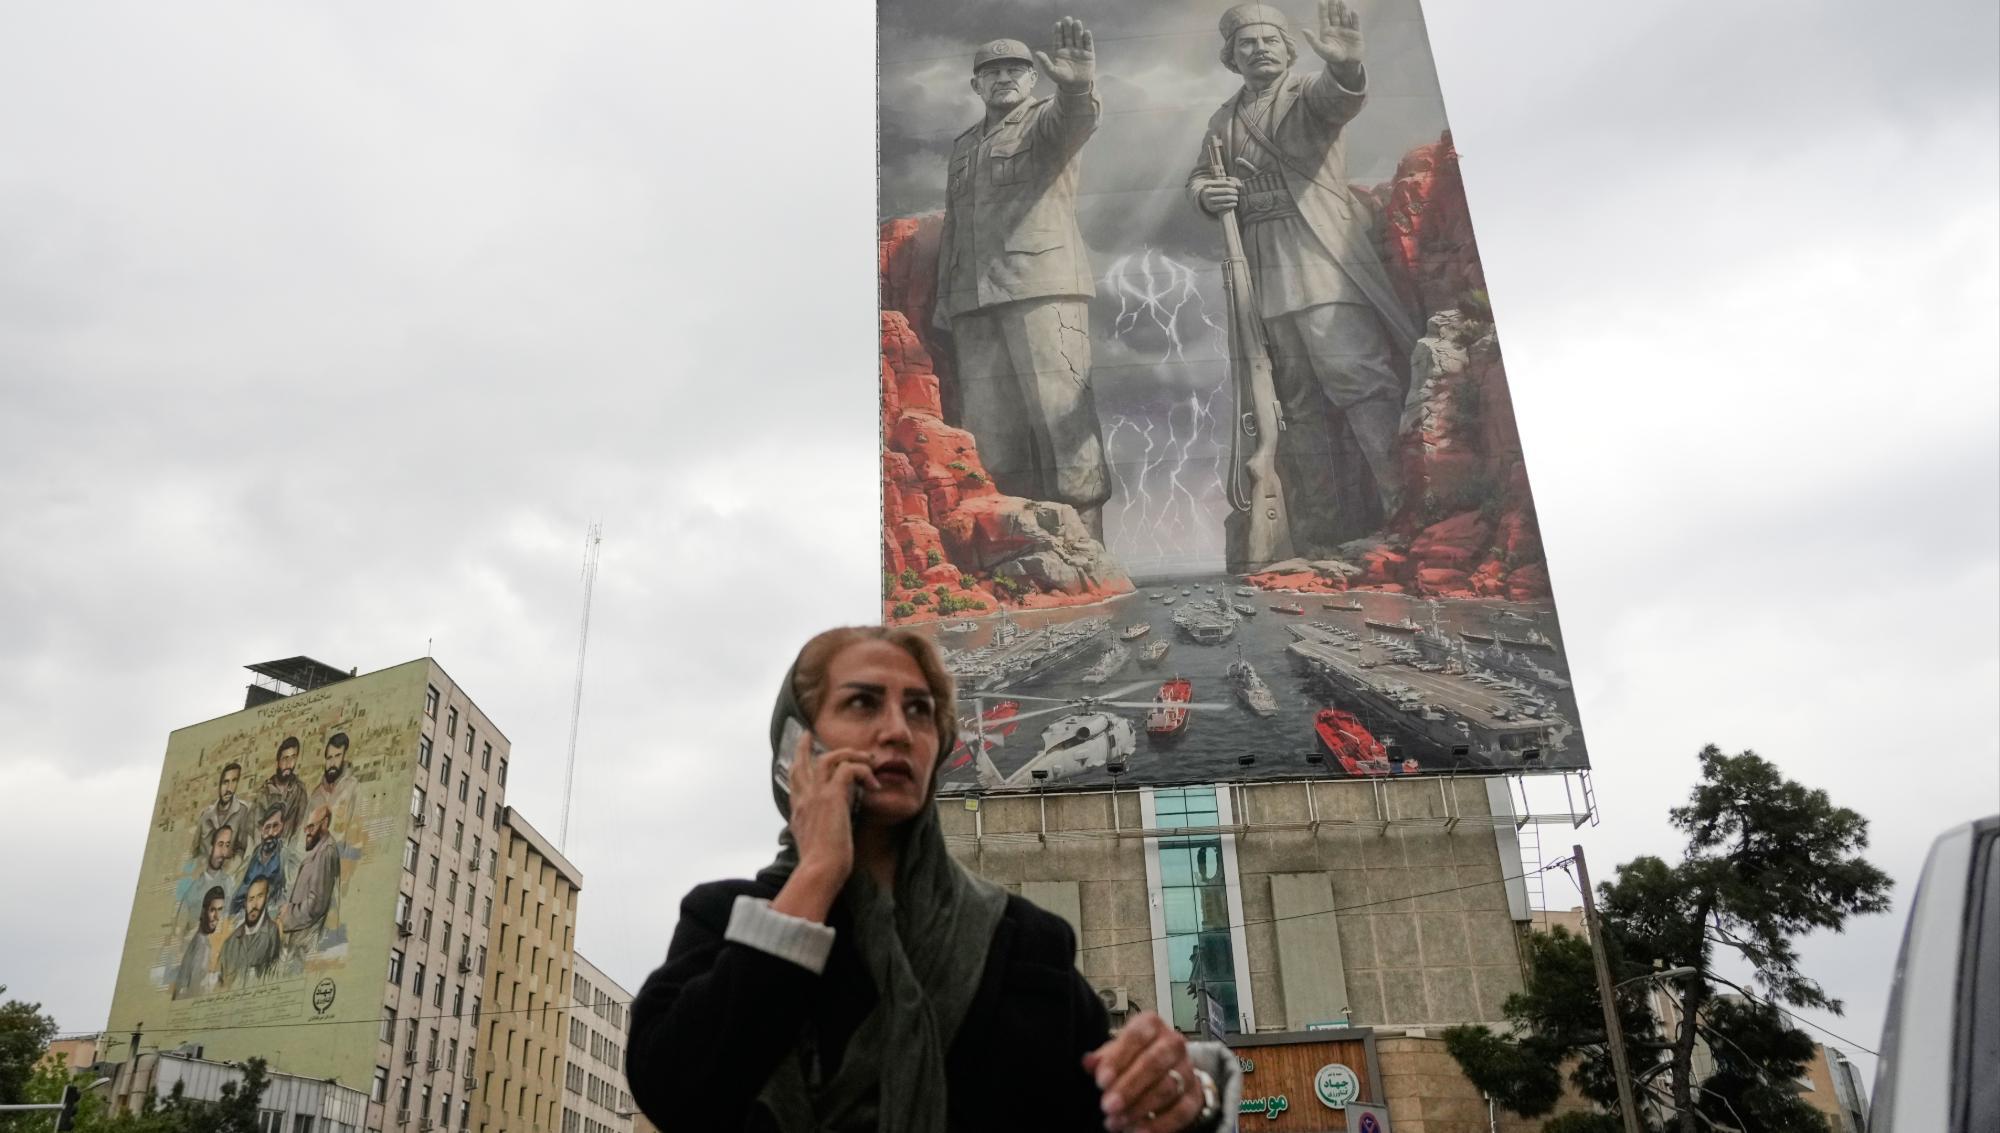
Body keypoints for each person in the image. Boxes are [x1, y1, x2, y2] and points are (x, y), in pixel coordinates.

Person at [627, 627, 1238, 1131]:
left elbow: (1107, 1111)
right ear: (796, 747)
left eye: (919, 710)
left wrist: (1186, 1098)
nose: (898, 730)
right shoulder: (723, 919)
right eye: (863, 703)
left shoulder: (1021, 943)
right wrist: (818, 872)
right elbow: (678, 1091)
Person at [1188, 0, 1422, 549]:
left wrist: (1345, 66)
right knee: (1294, 404)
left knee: (1359, 381)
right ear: (1232, 57)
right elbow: (1199, 175)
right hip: (1263, 265)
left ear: (1288, 49)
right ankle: (1323, 529)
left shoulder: (1307, 94)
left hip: (1319, 253)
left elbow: (1340, 98)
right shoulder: (1223, 118)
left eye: (1270, 39)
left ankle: (1403, 509)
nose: (1259, 49)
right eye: (1247, 43)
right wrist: (1206, 193)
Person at [934, 19, 1112, 536]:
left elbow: (1076, 119)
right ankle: (1017, 546)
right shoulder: (964, 146)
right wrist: (947, 298)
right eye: (992, 72)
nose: (1004, 78)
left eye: (1015, 69)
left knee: (1063, 420)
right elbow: (955, 224)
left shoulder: (1046, 122)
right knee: (991, 434)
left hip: (1042, 288)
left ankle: (1089, 545)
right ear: (976, 85)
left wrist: (1077, 87)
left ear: (1033, 79)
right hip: (974, 302)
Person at [283, 805, 340, 952]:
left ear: (325, 823)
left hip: (305, 942)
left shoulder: (325, 852)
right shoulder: (320, 850)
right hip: (300, 936)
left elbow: (315, 905)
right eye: (306, 827)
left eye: (311, 826)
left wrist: (287, 915)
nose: (307, 832)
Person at [176, 824, 239, 934]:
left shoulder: (229, 883)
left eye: (227, 845)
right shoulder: (193, 886)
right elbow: (179, 927)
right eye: (220, 844)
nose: (224, 852)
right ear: (210, 848)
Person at [219, 876, 280, 988]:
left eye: (259, 897)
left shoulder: (272, 933)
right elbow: (221, 985)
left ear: (266, 898)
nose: (254, 905)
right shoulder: (229, 943)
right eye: (251, 899)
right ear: (245, 903)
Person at [233, 803, 292, 915]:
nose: (270, 833)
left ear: (282, 827)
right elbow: (237, 893)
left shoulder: (285, 856)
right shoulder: (252, 858)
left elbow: (287, 895)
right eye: (267, 827)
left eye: (275, 826)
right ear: (261, 830)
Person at [191, 761, 252, 863]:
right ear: (219, 784)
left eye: (234, 781)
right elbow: (194, 851)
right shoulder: (206, 815)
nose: (229, 788)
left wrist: (231, 867)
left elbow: (241, 849)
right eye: (225, 782)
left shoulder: (242, 811)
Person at [173, 887, 226, 999]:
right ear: (203, 911)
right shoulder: (202, 946)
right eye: (212, 910)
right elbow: (195, 991)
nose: (217, 917)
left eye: (220, 910)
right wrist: (218, 979)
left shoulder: (200, 940)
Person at [259, 736, 309, 843]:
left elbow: (300, 827)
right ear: (278, 762)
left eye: (293, 758)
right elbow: (256, 830)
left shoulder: (299, 791)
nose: (289, 764)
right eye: (285, 758)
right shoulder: (264, 792)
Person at [308, 732, 357, 837]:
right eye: (329, 758)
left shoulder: (353, 788)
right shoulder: (316, 795)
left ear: (344, 757)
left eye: (337, 756)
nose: (332, 763)